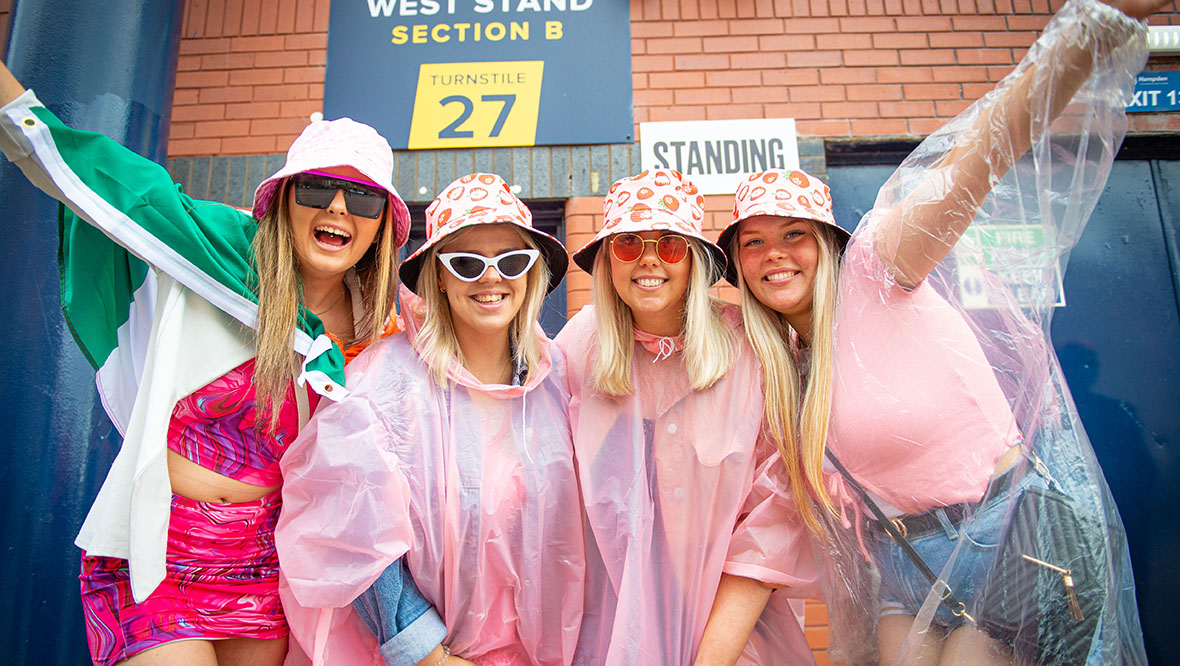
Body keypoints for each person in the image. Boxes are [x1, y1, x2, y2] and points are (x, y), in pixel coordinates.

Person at [714, 0, 1163, 663]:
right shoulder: (780, 357)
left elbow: (982, 153)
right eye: (752, 243)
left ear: (828, 245)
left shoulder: (878, 267)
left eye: (792, 235)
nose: (773, 253)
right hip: (904, 563)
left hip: (1009, 537)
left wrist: (1091, 26)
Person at [0, 60, 416, 665]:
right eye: (319, 188)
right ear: (284, 200)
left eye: (363, 198)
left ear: (383, 223)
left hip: (266, 565)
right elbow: (103, 181)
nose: (338, 210)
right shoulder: (217, 257)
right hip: (158, 550)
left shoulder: (389, 324)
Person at [276, 174, 584, 666]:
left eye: (511, 260)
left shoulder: (562, 380)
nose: (491, 278)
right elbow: (348, 530)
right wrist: (427, 654)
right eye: (465, 262)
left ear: (531, 274)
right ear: (438, 275)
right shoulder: (380, 381)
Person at [556, 169, 816, 665]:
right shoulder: (576, 348)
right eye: (629, 242)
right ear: (608, 259)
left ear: (695, 260)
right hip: (609, 632)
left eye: (671, 244)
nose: (649, 258)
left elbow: (774, 517)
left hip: (730, 639)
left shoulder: (754, 349)